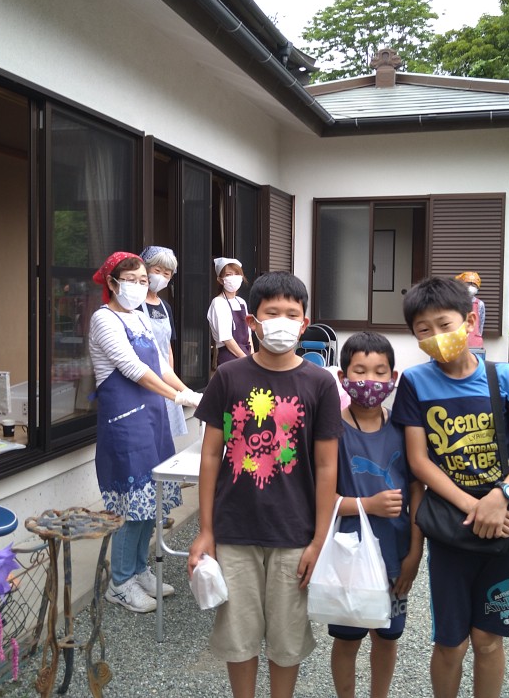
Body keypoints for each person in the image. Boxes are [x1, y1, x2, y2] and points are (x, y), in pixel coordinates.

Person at [189, 271, 342, 698]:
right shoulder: (228, 376)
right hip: (234, 529)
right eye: (272, 313)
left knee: (287, 639)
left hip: (294, 532)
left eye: (291, 314)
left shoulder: (320, 383)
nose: (282, 322)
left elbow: (327, 465)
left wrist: (319, 539)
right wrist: (205, 530)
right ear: (252, 322)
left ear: (304, 323)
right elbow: (210, 455)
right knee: (238, 636)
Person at [391, 276, 509, 698]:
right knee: (450, 643)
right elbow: (419, 461)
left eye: (445, 324)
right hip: (451, 532)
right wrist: (475, 508)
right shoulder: (415, 384)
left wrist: (500, 496)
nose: (437, 336)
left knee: (488, 640)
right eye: (424, 329)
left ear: (470, 320)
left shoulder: (505, 377)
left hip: (508, 528)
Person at [89, 251, 202, 614]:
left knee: (151, 500)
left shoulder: (139, 316)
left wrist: (189, 392)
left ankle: (139, 570)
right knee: (132, 503)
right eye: (131, 280)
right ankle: (120, 583)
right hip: (124, 424)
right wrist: (178, 397)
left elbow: (162, 365)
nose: (139, 286)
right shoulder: (103, 319)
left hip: (153, 419)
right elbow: (132, 367)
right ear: (112, 283)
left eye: (142, 280)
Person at [329, 332, 424, 698]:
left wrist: (415, 553)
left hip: (396, 556)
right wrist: (367, 505)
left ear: (393, 377)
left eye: (380, 372)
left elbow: (417, 490)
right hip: (348, 558)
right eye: (360, 371)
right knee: (347, 640)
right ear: (343, 377)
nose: (370, 380)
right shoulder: (332, 431)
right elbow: (321, 499)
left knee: (387, 637)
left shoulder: (404, 429)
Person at [138, 246, 189, 440]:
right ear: (145, 269)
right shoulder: (133, 305)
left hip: (165, 378)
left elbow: (167, 347)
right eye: (157, 270)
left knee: (164, 438)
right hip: (142, 377)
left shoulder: (165, 307)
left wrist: (171, 378)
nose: (161, 277)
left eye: (166, 274)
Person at [207, 257, 252, 370]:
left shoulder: (241, 302)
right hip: (229, 357)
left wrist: (252, 357)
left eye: (237, 274)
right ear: (220, 280)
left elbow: (249, 335)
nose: (233, 277)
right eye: (228, 274)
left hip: (246, 354)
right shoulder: (218, 303)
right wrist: (247, 360)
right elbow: (227, 339)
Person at [454, 271, 486, 350]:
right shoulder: (456, 303)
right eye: (468, 284)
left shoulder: (480, 304)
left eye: (474, 285)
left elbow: (480, 325)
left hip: (475, 344)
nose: (471, 287)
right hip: (457, 344)